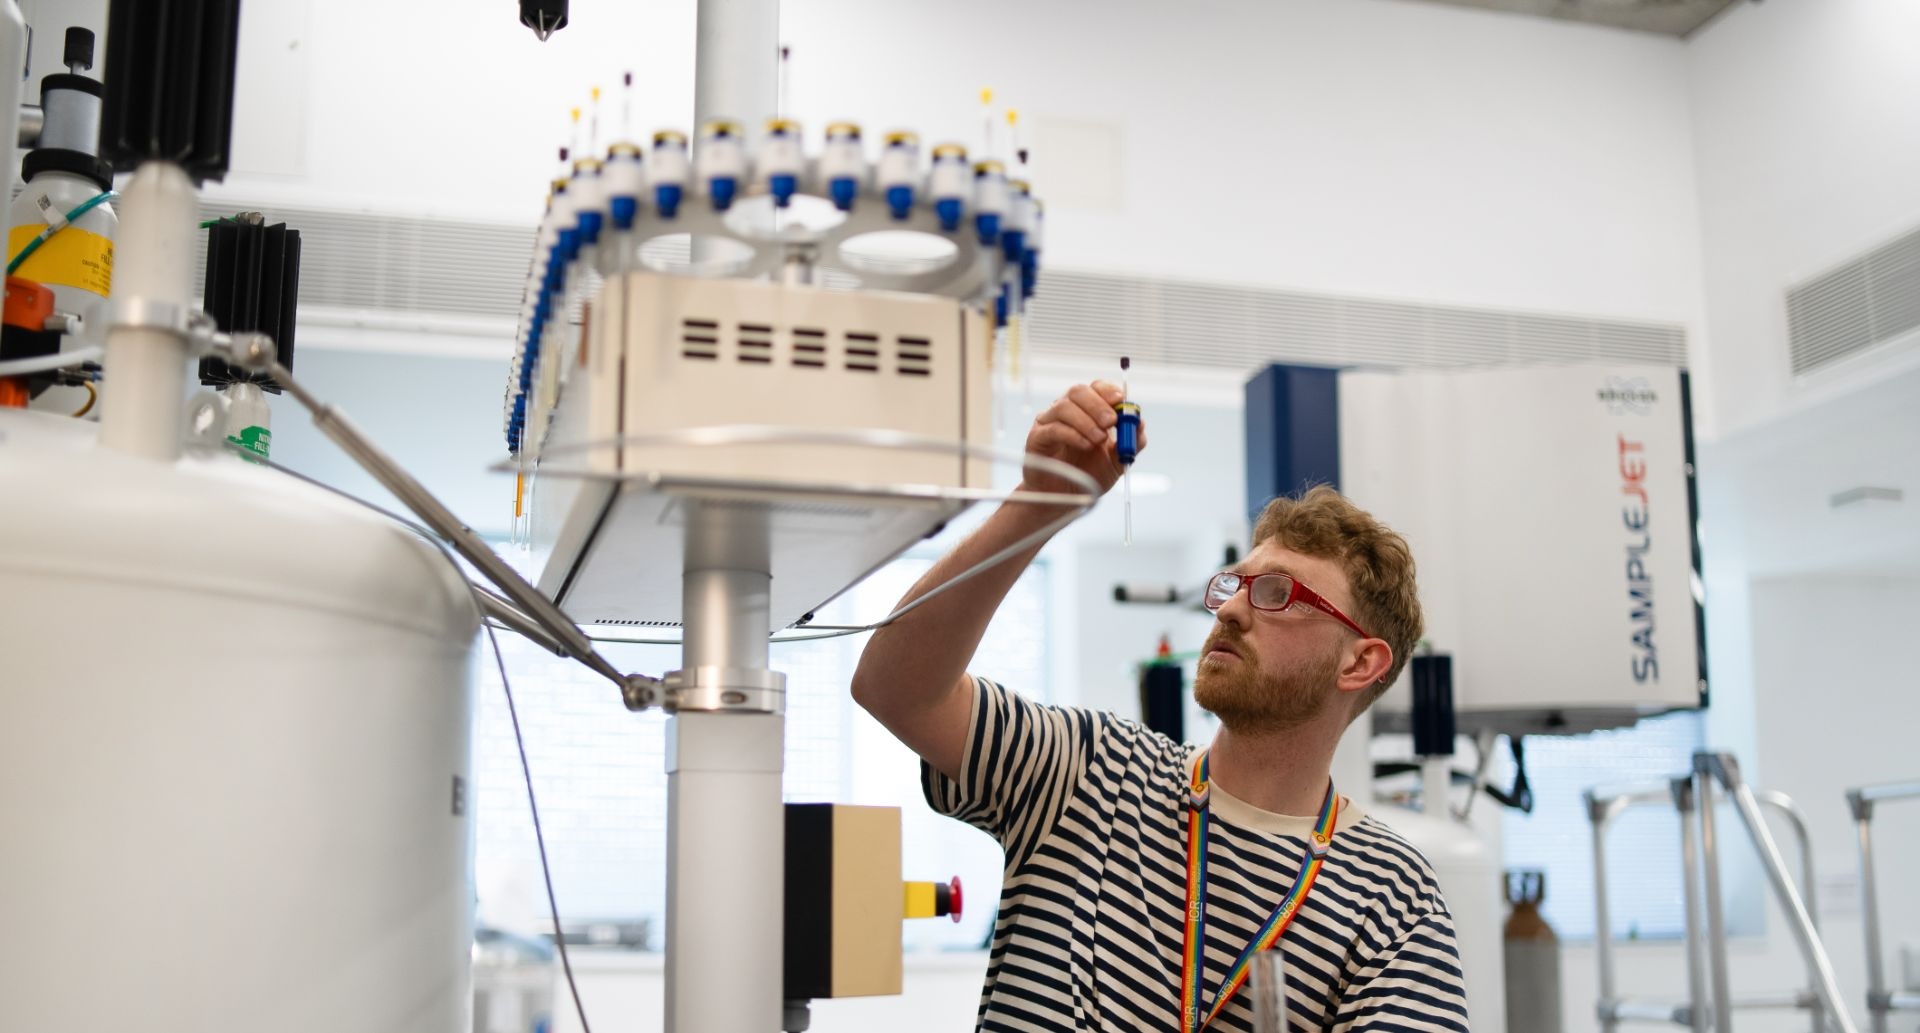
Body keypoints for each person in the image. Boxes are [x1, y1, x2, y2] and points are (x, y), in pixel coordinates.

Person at [851, 381, 1472, 1032]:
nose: (1230, 607)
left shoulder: (1395, 899)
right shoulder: (1087, 771)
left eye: (1278, 592)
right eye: (1233, 583)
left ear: (1360, 661)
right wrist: (1040, 505)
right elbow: (893, 688)